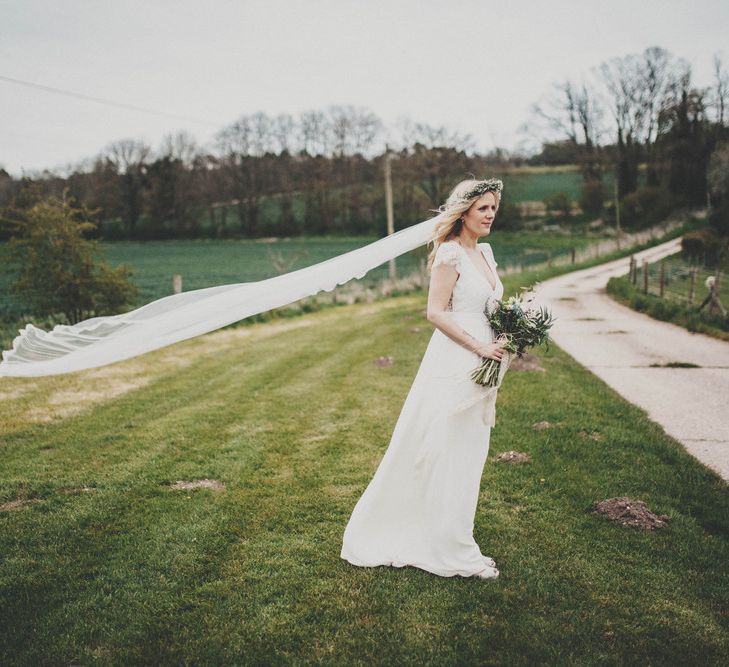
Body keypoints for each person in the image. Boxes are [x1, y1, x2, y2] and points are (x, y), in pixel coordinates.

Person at [340, 178, 508, 580]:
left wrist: (505, 334)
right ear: (463, 210)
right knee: (446, 450)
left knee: (470, 453)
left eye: (494, 208)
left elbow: (490, 306)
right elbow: (435, 312)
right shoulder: (450, 254)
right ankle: (450, 549)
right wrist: (479, 347)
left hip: (484, 362)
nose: (490, 215)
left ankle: (456, 538)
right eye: (483, 208)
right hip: (455, 361)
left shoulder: (484, 253)